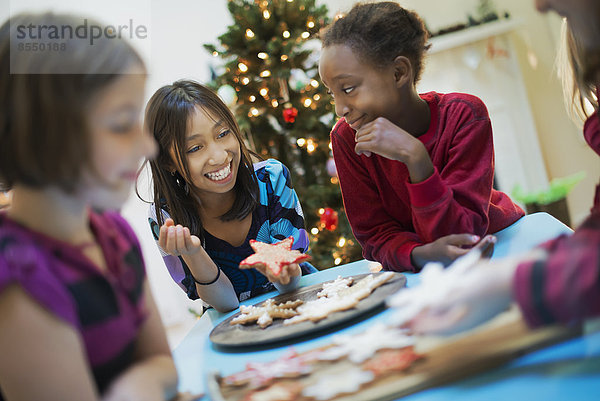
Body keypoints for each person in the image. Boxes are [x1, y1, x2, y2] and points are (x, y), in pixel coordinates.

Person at [0, 12, 181, 401]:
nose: (147, 147)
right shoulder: (17, 276)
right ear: (43, 137)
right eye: (120, 124)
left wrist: (137, 385)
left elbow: (162, 363)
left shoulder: (115, 234)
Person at [395, 0, 600, 335]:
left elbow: (459, 229)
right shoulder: (346, 140)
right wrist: (519, 272)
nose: (540, 4)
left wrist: (510, 282)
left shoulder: (464, 113)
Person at [319, 2, 524, 273]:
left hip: (499, 245)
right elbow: (374, 236)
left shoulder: (464, 115)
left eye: (348, 88)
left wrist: (416, 158)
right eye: (333, 93)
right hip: (421, 268)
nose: (340, 109)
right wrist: (419, 254)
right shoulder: (347, 139)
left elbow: (462, 235)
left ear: (399, 73)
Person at [143, 80, 315, 313]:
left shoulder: (272, 180)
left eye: (223, 133)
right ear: (167, 162)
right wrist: (193, 253)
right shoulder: (167, 218)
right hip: (233, 331)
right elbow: (226, 304)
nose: (219, 155)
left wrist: (283, 272)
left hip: (301, 305)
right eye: (195, 148)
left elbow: (291, 285)